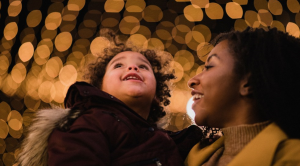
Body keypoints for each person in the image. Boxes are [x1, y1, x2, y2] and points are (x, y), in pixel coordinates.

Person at [16, 32, 203, 166]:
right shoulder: (89, 123)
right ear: (101, 89)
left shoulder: (168, 140)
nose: (132, 68)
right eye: (118, 65)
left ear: (156, 94)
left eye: (143, 67)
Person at [185, 27, 300, 166]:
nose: (191, 81)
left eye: (209, 67)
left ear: (249, 83)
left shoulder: (291, 158)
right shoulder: (188, 155)